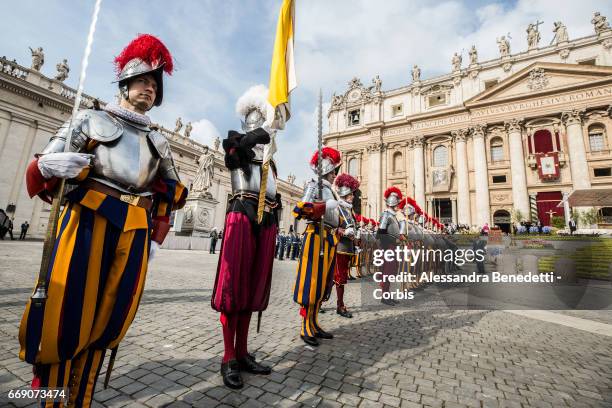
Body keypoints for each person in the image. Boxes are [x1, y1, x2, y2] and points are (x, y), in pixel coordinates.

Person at [19, 34, 186, 407]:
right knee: (68, 313)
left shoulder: (159, 141)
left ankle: (81, 398)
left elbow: (169, 193)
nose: (149, 89)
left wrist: (156, 237)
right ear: (125, 83)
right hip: (88, 221)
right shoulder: (91, 120)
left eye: (155, 85)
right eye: (143, 81)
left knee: (109, 319)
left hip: (134, 233)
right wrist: (48, 164)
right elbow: (44, 162)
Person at [211, 86, 279, 389]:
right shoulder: (236, 143)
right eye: (261, 117)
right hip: (242, 212)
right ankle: (228, 356)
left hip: (267, 218)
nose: (265, 123)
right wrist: (255, 136)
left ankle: (243, 351)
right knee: (233, 287)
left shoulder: (271, 160)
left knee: (252, 288)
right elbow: (233, 159)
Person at [292, 147, 342, 347]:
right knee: (310, 283)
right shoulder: (314, 185)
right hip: (315, 237)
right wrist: (324, 207)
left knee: (322, 284)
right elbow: (299, 211)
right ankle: (305, 325)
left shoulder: (330, 189)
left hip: (329, 239)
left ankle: (314, 322)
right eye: (332, 171)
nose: (334, 174)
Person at [333, 173, 359, 318]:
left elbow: (353, 229)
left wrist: (355, 238)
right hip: (339, 248)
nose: (353, 197)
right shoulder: (337, 208)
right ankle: (340, 305)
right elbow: (330, 227)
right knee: (338, 278)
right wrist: (342, 231)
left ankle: (333, 303)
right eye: (351, 194)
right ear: (345, 194)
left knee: (339, 278)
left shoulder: (349, 211)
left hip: (348, 248)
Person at [377, 187, 406, 306]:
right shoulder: (386, 215)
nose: (398, 205)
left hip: (392, 246)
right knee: (387, 272)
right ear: (393, 203)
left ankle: (388, 295)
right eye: (397, 203)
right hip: (387, 247)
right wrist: (394, 240)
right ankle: (384, 297)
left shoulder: (393, 216)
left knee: (391, 272)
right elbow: (380, 233)